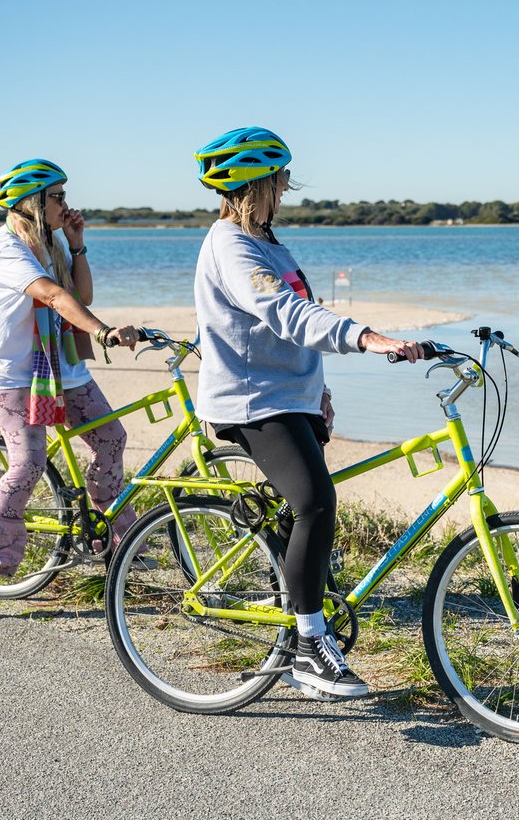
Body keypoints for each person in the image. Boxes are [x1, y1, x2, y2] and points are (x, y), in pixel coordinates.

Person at [191, 126, 424, 698]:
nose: (287, 188)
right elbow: (285, 313)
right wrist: (366, 337)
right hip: (251, 401)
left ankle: (295, 608)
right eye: (280, 179)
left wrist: (314, 389)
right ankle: (306, 650)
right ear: (256, 184)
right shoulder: (231, 245)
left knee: (306, 515)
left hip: (285, 396)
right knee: (316, 503)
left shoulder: (268, 242)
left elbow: (295, 320)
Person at [0, 159, 142, 619]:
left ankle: (112, 536)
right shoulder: (5, 248)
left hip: (60, 366)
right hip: (11, 376)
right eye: (57, 196)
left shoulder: (52, 243)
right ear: (33, 202)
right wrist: (101, 333)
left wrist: (78, 247)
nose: (66, 203)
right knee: (28, 465)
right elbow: (55, 297)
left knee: (112, 438)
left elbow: (81, 296)